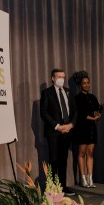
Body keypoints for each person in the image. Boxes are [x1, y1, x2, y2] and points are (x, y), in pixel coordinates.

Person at [40, 68, 76, 196]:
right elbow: (44, 112)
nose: (61, 79)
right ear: (53, 78)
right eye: (59, 77)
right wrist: (57, 126)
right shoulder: (47, 93)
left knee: (63, 160)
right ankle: (52, 188)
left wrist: (71, 125)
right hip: (54, 132)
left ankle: (63, 186)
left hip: (67, 131)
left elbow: (74, 112)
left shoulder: (68, 92)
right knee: (53, 159)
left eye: (63, 77)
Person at [72, 71, 101, 188]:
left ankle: (90, 178)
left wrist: (97, 114)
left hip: (91, 128)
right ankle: (82, 178)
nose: (87, 85)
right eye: (84, 83)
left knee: (90, 153)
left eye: (88, 83)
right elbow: (79, 114)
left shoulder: (93, 97)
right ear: (80, 85)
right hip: (81, 128)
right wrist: (91, 117)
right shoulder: (77, 98)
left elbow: (98, 108)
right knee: (82, 153)